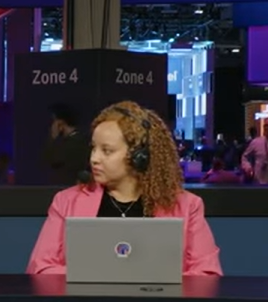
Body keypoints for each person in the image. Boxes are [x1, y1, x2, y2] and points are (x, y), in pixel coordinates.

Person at [27, 101, 222, 276]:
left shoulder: (188, 206)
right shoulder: (66, 202)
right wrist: (103, 277)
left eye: (107, 150)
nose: (94, 158)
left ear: (139, 157)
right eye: (93, 148)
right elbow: (40, 267)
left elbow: (207, 273)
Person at [43, 102, 91, 186]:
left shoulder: (74, 143)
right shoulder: (80, 139)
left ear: (60, 123)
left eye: (53, 121)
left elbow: (53, 161)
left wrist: (53, 137)